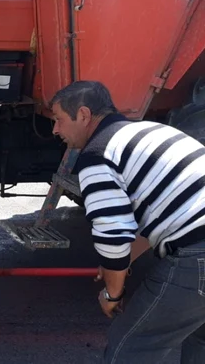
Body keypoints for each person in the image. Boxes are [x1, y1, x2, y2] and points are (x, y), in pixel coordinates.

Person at [50, 80, 205, 363]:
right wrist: (122, 264)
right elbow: (162, 216)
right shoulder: (150, 131)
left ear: (83, 115)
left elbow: (113, 234)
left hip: (198, 256)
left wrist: (112, 292)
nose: (55, 130)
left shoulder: (98, 154)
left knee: (133, 346)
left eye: (59, 120)